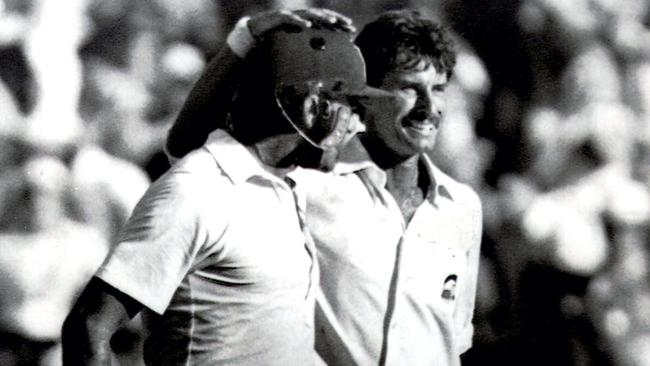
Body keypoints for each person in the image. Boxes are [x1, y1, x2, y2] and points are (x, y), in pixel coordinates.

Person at [62, 9, 385, 365]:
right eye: (349, 107)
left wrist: (245, 40)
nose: (357, 124)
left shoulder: (286, 181)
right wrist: (246, 38)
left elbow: (184, 140)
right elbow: (88, 328)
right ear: (312, 108)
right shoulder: (198, 190)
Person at [166, 9, 482, 366]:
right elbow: (188, 148)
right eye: (409, 88)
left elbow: (453, 343)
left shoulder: (463, 207)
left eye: (438, 89)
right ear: (367, 95)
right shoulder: (307, 180)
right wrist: (245, 39)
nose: (429, 108)